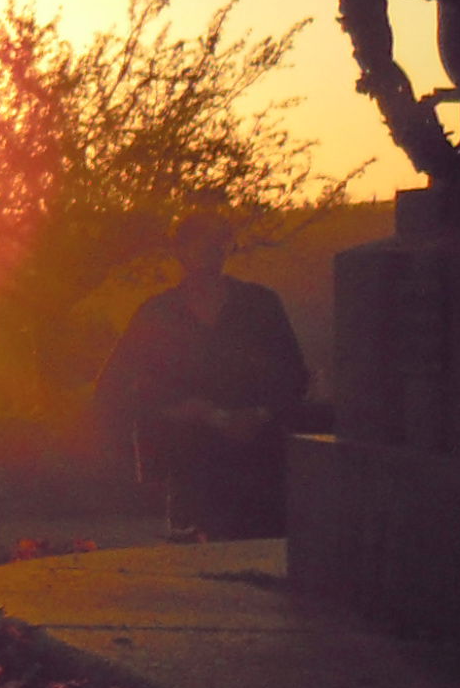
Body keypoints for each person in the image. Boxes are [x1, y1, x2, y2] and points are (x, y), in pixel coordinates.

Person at [95, 214, 313, 541]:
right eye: (200, 240)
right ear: (179, 250)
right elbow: (114, 386)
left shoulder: (260, 305)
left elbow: (294, 375)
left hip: (257, 461)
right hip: (190, 463)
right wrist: (178, 411)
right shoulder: (158, 314)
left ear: (229, 246)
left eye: (219, 239)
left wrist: (260, 414)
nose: (210, 248)